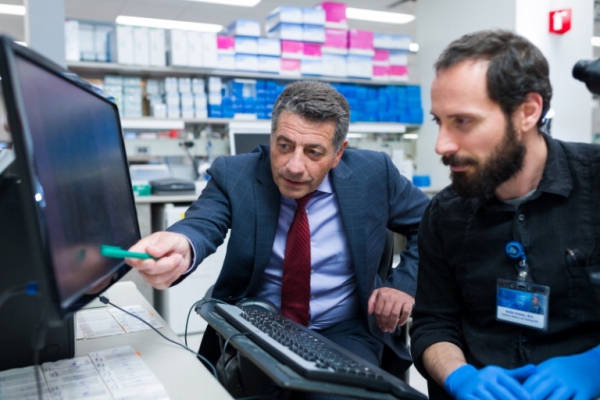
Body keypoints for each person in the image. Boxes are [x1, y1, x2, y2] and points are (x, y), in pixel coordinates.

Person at [126, 80, 430, 398]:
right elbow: (203, 223)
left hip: (344, 329)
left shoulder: (374, 173)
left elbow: (429, 224)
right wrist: (183, 245)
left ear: (338, 153)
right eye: (284, 146)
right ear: (271, 138)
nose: (294, 167)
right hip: (261, 327)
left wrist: (403, 284)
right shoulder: (235, 174)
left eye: (313, 152)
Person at [409, 29, 600, 400]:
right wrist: (459, 376)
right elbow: (433, 322)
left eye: (463, 121)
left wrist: (594, 364)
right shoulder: (445, 214)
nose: (442, 145)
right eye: (439, 121)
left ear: (527, 112)